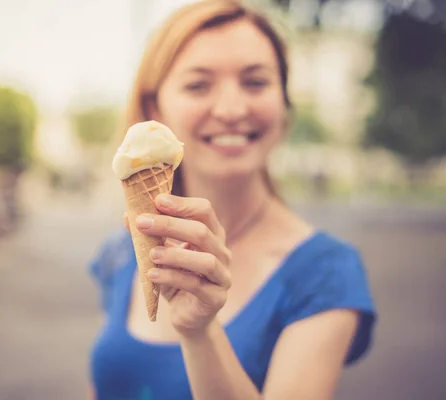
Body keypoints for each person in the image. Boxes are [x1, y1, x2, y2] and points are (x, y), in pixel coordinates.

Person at [88, 1, 377, 399]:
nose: (231, 109)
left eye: (255, 82)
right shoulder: (123, 252)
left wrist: (200, 331)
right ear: (156, 109)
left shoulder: (325, 273)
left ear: (284, 103)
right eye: (198, 85)